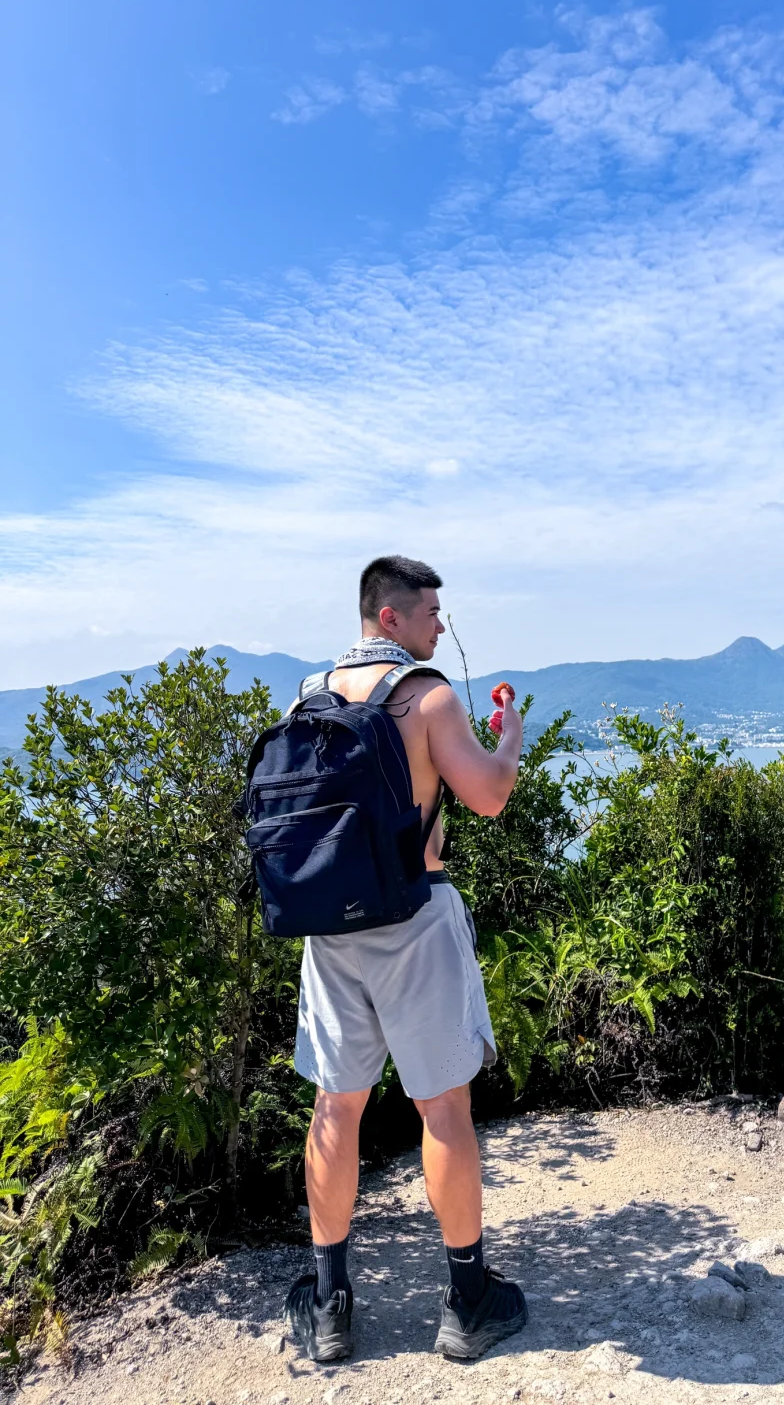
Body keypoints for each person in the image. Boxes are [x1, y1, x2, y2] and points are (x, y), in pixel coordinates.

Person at [284, 555, 528, 1365]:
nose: (439, 625)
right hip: (415, 918)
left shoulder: (306, 697)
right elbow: (488, 794)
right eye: (428, 611)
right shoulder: (426, 697)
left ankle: (328, 1305)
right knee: (443, 1109)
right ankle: (467, 1300)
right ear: (388, 617)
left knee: (336, 1108)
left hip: (328, 929)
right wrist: (509, 735)